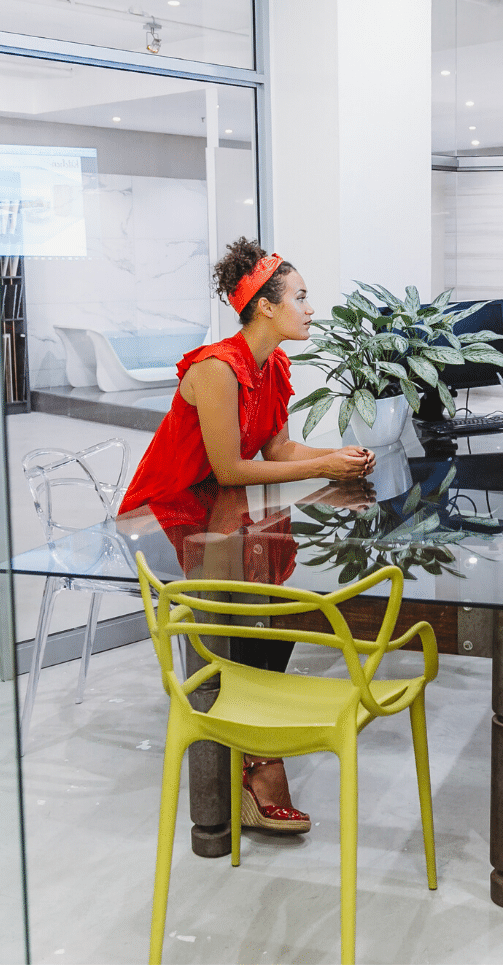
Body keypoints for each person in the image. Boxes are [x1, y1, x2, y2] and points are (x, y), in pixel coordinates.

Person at [119, 237, 377, 832]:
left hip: (220, 512)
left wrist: (336, 458)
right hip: (167, 517)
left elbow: (277, 450)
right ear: (265, 305)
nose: (311, 309)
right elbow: (231, 467)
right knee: (246, 619)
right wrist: (323, 466)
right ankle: (254, 757)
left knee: (277, 607)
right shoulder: (216, 368)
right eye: (301, 298)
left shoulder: (274, 364)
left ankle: (253, 745)